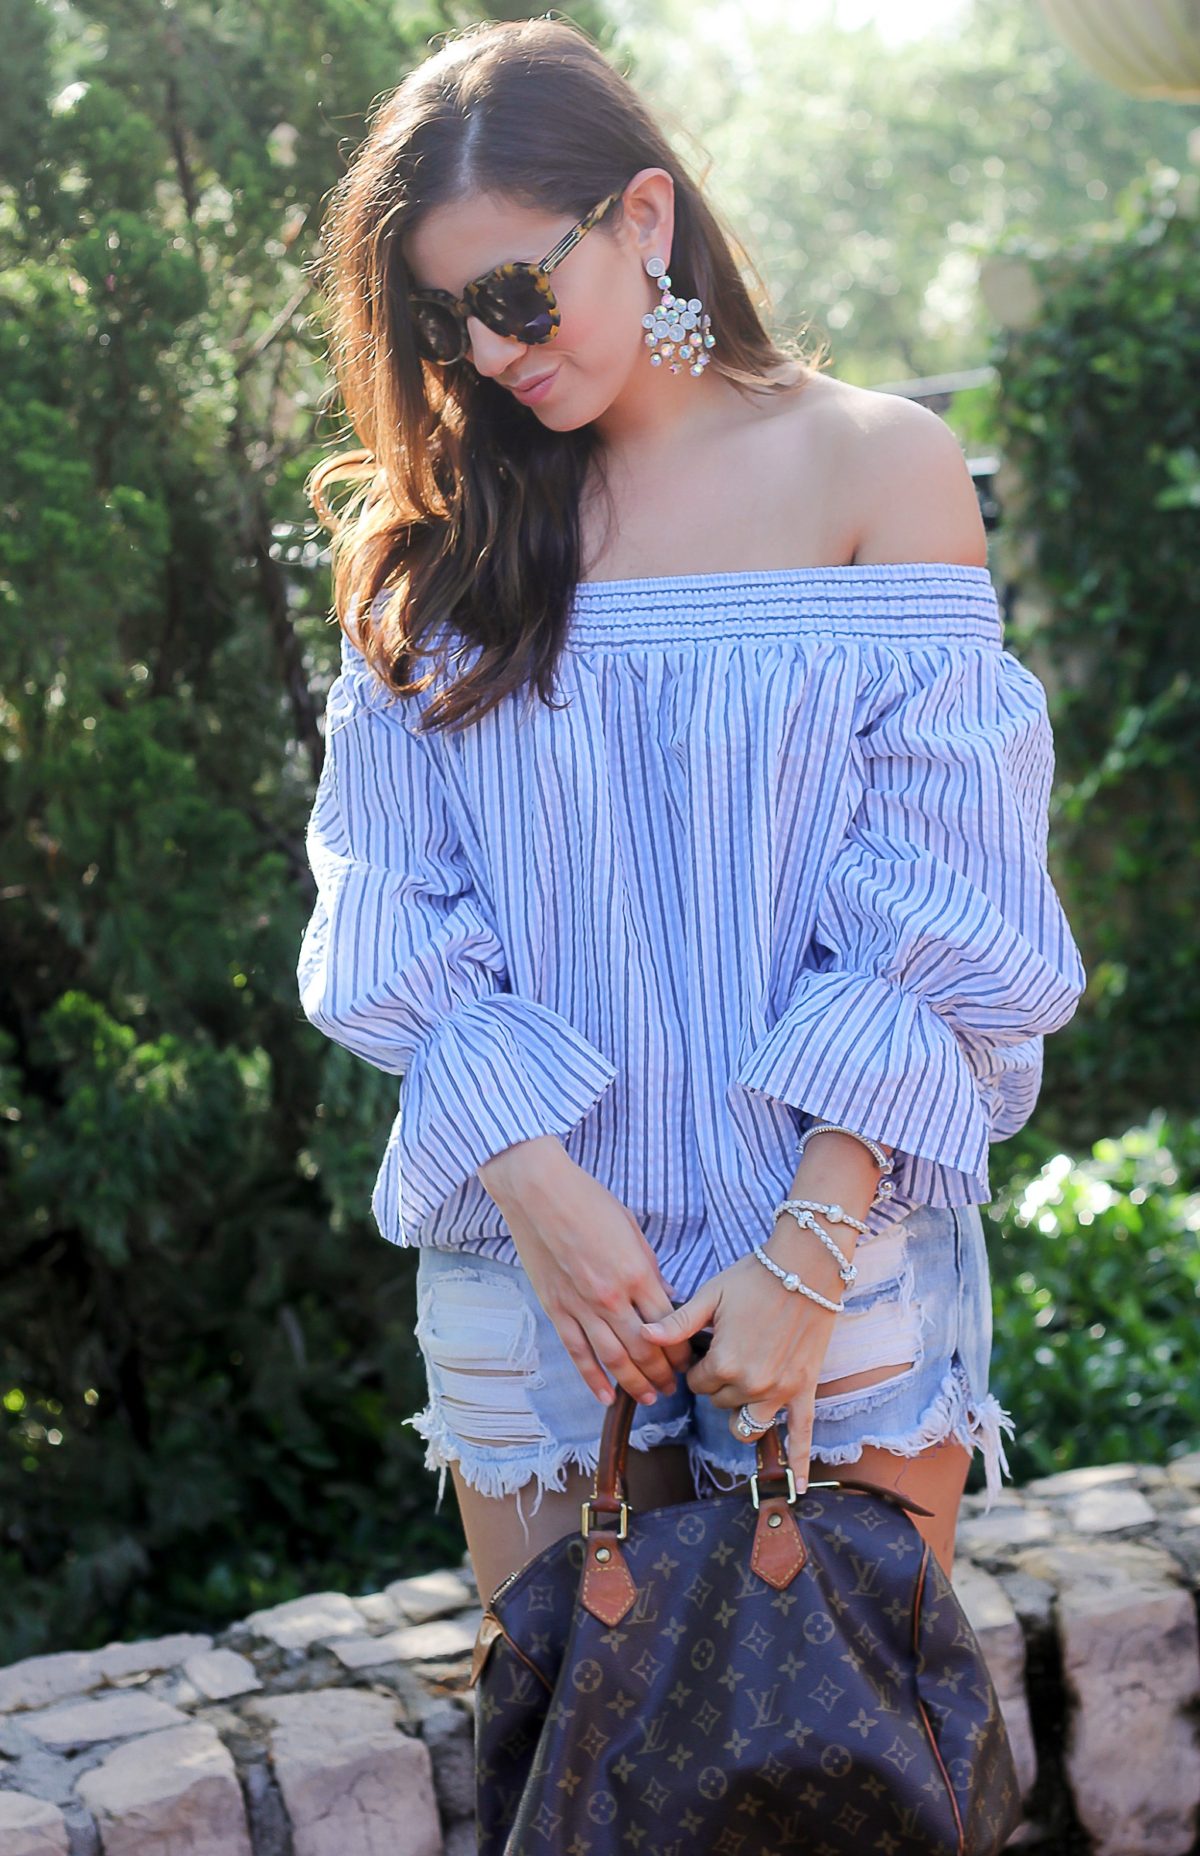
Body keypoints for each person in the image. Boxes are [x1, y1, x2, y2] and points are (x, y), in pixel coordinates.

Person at [297, 17, 1087, 1613]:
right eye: (447, 325)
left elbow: (950, 907)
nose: (494, 352)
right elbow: (388, 903)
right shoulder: (438, 538)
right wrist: (539, 1191)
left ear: (643, 219)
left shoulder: (879, 467)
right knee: (585, 1778)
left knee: (830, 1774)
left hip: (832, 1254)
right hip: (539, 1270)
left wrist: (804, 1256)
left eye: (518, 293)